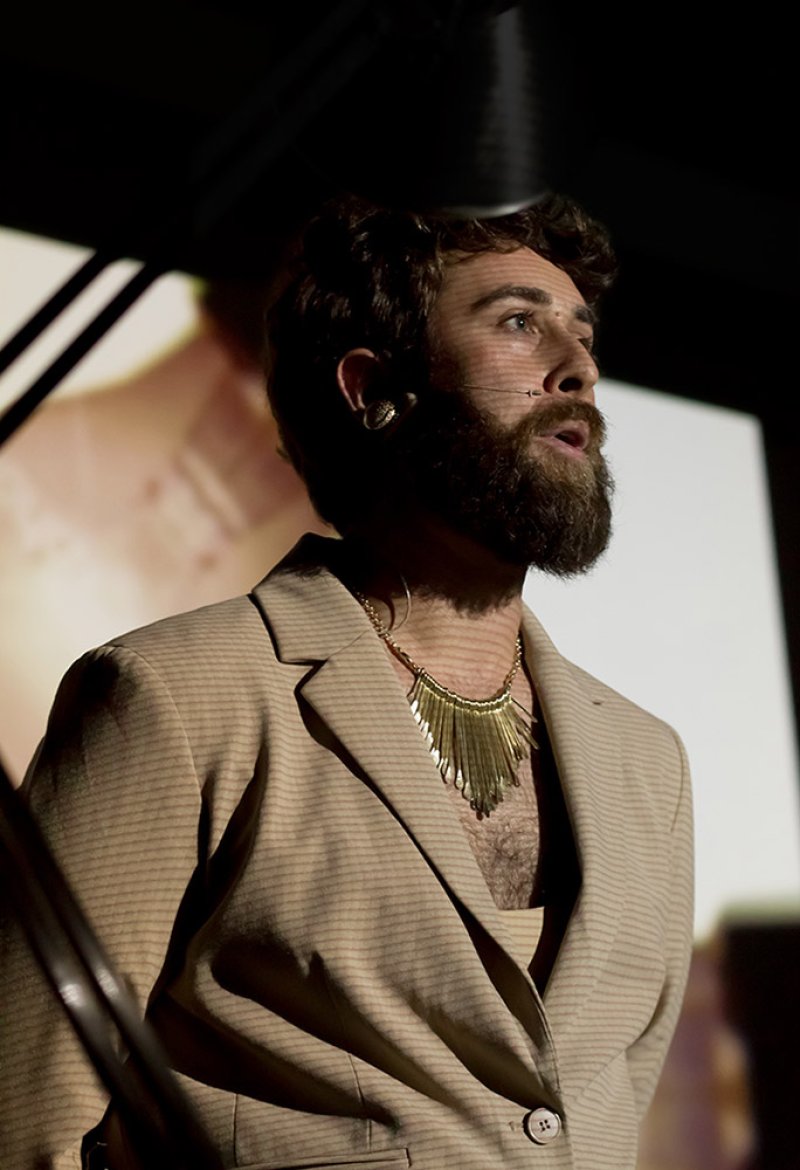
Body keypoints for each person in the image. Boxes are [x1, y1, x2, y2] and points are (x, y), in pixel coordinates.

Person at [0, 195, 694, 1170]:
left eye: (580, 333)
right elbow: (21, 1126)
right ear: (373, 389)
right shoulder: (169, 699)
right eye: (515, 321)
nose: (575, 364)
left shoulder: (648, 763)